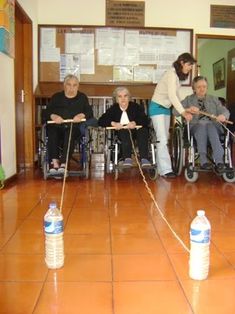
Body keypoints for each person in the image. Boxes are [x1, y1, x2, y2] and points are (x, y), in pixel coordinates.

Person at [149, 52, 197, 178]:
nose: (190, 68)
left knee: (164, 139)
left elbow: (176, 96)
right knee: (162, 139)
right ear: (181, 62)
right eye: (189, 65)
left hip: (165, 109)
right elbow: (171, 95)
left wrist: (186, 108)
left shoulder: (176, 76)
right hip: (157, 108)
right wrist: (183, 112)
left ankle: (161, 168)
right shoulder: (171, 74)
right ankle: (166, 170)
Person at [178, 75, 230, 172]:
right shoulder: (188, 99)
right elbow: (175, 111)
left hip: (214, 127)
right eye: (199, 87)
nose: (202, 89)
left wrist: (223, 116)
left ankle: (219, 161)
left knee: (209, 125)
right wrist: (187, 110)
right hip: (196, 127)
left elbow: (225, 111)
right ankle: (205, 160)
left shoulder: (213, 99)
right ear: (194, 88)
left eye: (204, 86)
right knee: (202, 125)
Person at [44, 74, 94, 174]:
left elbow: (89, 113)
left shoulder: (82, 97)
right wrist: (53, 116)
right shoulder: (56, 97)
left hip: (74, 127)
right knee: (52, 131)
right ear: (64, 85)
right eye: (69, 85)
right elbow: (45, 112)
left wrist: (81, 115)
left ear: (78, 86)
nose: (72, 88)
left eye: (75, 85)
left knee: (70, 132)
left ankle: (64, 164)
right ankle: (55, 164)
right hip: (57, 126)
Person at [98, 86, 151, 168]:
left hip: (137, 131)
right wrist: (113, 123)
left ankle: (144, 159)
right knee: (124, 131)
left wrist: (135, 122)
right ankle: (127, 158)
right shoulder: (113, 109)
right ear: (116, 99)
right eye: (120, 96)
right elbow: (101, 120)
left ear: (129, 97)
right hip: (122, 133)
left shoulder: (135, 107)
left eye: (125, 96)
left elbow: (145, 119)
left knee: (143, 131)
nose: (123, 99)